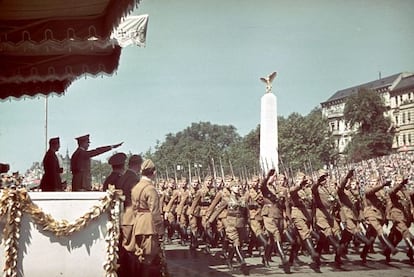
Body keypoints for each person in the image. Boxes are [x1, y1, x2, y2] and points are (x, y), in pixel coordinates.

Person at [123, 159, 165, 277]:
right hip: (149, 227)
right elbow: (155, 212)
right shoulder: (150, 189)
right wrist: (160, 230)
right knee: (149, 258)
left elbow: (135, 208)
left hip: (138, 223)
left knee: (140, 256)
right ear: (154, 173)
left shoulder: (136, 187)